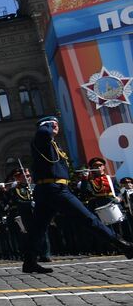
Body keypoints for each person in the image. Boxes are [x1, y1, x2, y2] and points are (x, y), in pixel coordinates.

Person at [21, 116, 133, 273]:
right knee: (88, 218)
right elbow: (43, 132)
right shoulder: (42, 139)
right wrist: (48, 124)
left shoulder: (51, 144)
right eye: (54, 125)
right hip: (55, 189)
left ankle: (29, 261)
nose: (56, 127)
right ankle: (123, 245)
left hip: (51, 189)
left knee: (38, 228)